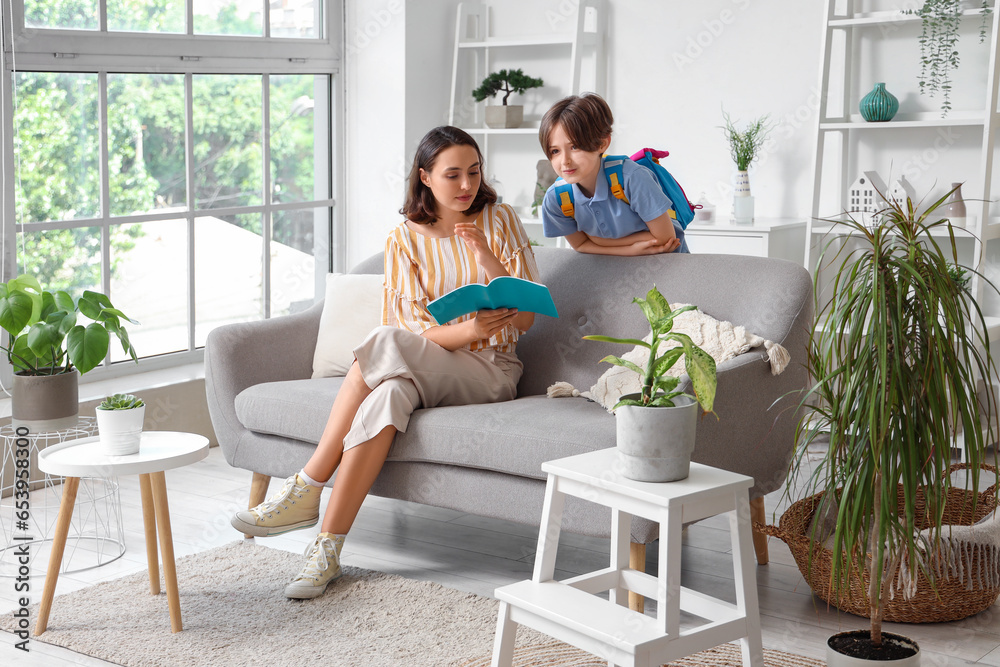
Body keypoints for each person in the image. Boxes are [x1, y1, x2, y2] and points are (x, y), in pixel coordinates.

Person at [230, 126, 539, 599]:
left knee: (381, 343)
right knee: (387, 396)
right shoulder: (403, 241)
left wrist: (485, 256)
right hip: (430, 362)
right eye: (452, 174)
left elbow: (529, 319)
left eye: (474, 172)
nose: (466, 185)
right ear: (425, 177)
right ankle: (327, 549)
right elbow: (417, 330)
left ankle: (308, 484)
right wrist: (471, 328)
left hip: (491, 371)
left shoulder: (499, 220)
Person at [538, 93, 688, 255]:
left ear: (602, 143)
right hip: (613, 272)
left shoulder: (633, 178)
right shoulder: (557, 198)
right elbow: (580, 245)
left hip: (668, 265)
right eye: (555, 151)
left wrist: (596, 240)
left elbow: (666, 240)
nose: (565, 161)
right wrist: (630, 250)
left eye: (574, 147)